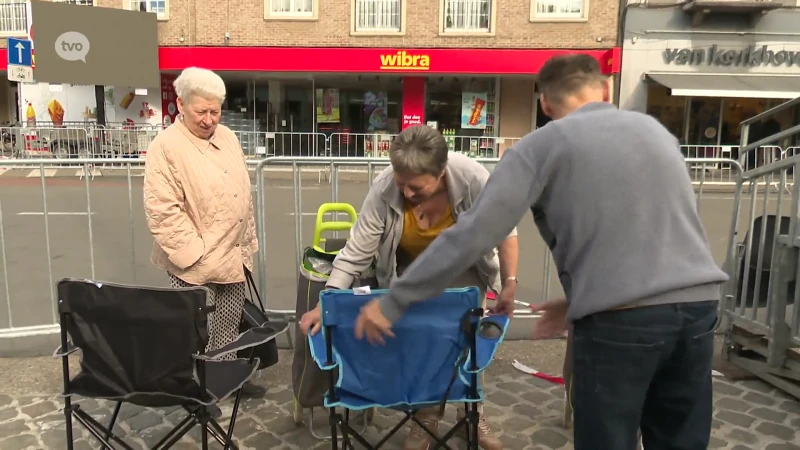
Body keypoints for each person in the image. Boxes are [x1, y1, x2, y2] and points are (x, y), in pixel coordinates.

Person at [353, 54, 729, 450]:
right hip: (698, 309)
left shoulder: (542, 146)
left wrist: (395, 301)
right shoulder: (656, 133)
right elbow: (654, 232)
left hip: (622, 326)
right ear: (604, 90)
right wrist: (580, 300)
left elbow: (474, 233)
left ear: (545, 105)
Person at [299, 125, 519, 450]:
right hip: (408, 270)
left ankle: (472, 412)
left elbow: (506, 232)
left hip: (463, 267)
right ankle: (425, 418)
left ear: (441, 172)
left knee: (466, 338)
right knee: (422, 341)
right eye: (401, 184)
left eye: (416, 187)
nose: (406, 193)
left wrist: (509, 284)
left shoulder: (473, 179)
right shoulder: (386, 186)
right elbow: (357, 251)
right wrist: (325, 302)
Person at [143, 67, 263, 402]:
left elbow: (243, 195)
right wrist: (195, 254)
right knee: (194, 332)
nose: (209, 119)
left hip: (231, 253)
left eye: (215, 111)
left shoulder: (228, 137)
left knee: (228, 325)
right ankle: (196, 388)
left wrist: (246, 243)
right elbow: (163, 210)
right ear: (181, 104)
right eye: (201, 112)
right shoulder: (165, 147)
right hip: (193, 261)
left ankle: (226, 376)